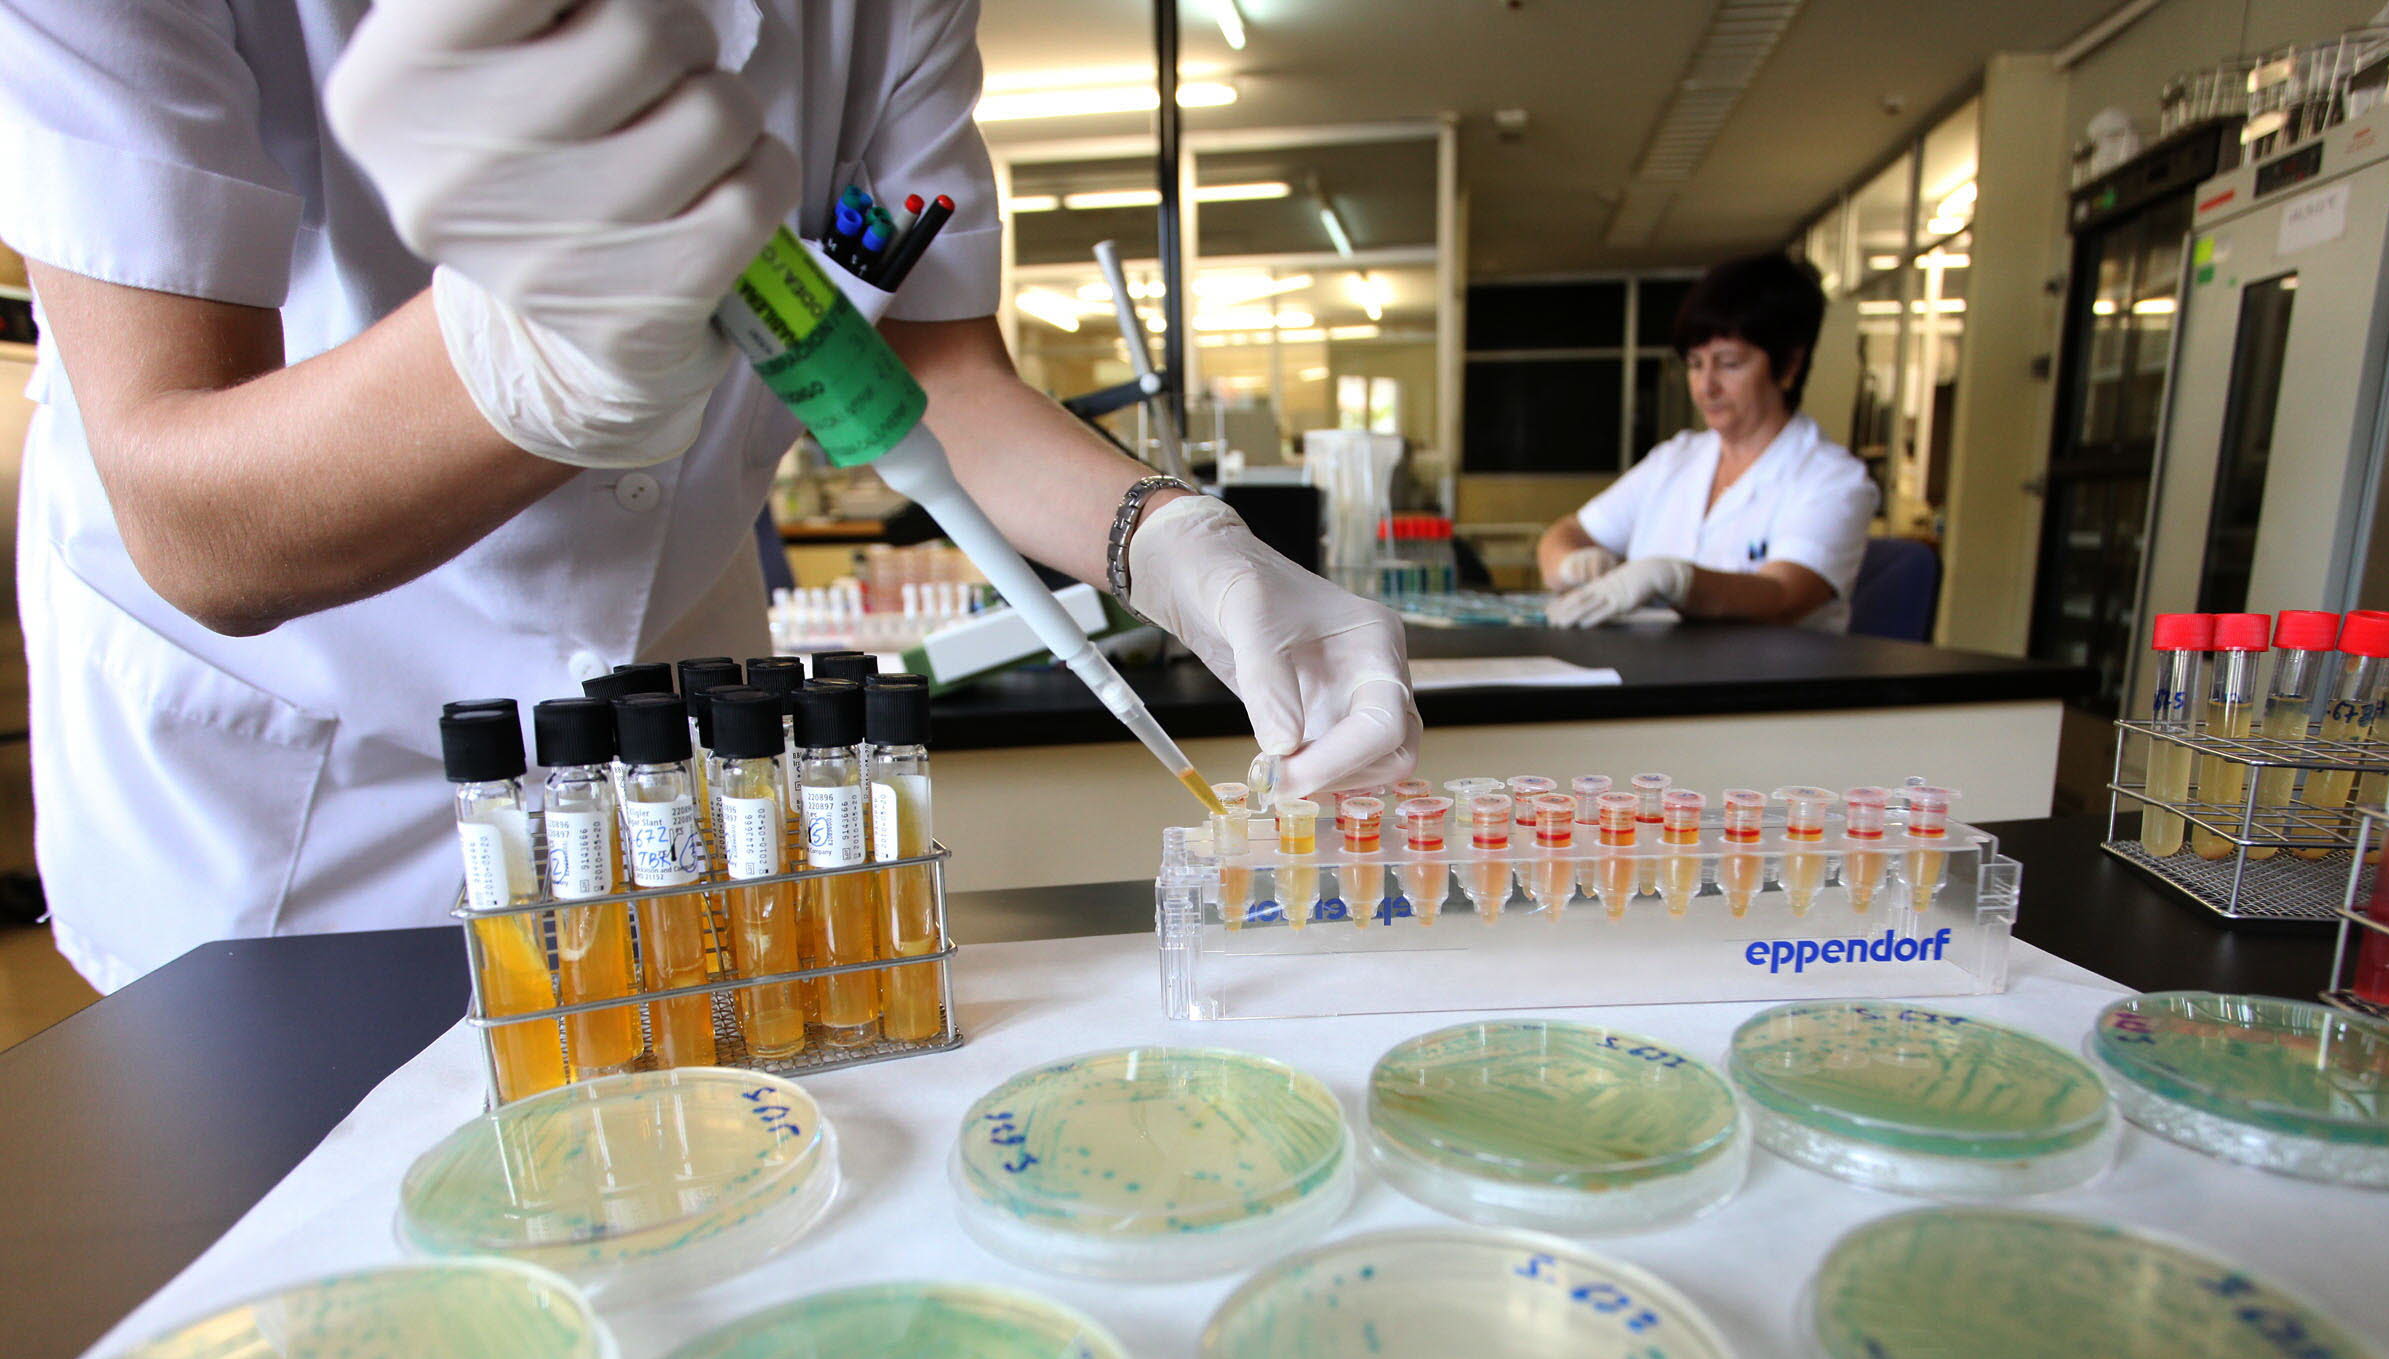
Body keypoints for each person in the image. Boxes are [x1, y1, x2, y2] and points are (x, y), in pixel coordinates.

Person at [0, 0, 1417, 991]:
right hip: (302, 812)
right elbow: (192, 518)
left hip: (674, 757)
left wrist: (1179, 543)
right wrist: (515, 360)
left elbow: (934, 368)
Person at [1540, 252, 1876, 633]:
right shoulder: (1675, 459)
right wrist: (1572, 563)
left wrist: (1676, 579)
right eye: (1696, 364)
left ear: (1789, 366)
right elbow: (1565, 533)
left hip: (1764, 671)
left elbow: (1783, 597)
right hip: (1650, 665)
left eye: (1729, 363)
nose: (1706, 387)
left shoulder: (1832, 480)